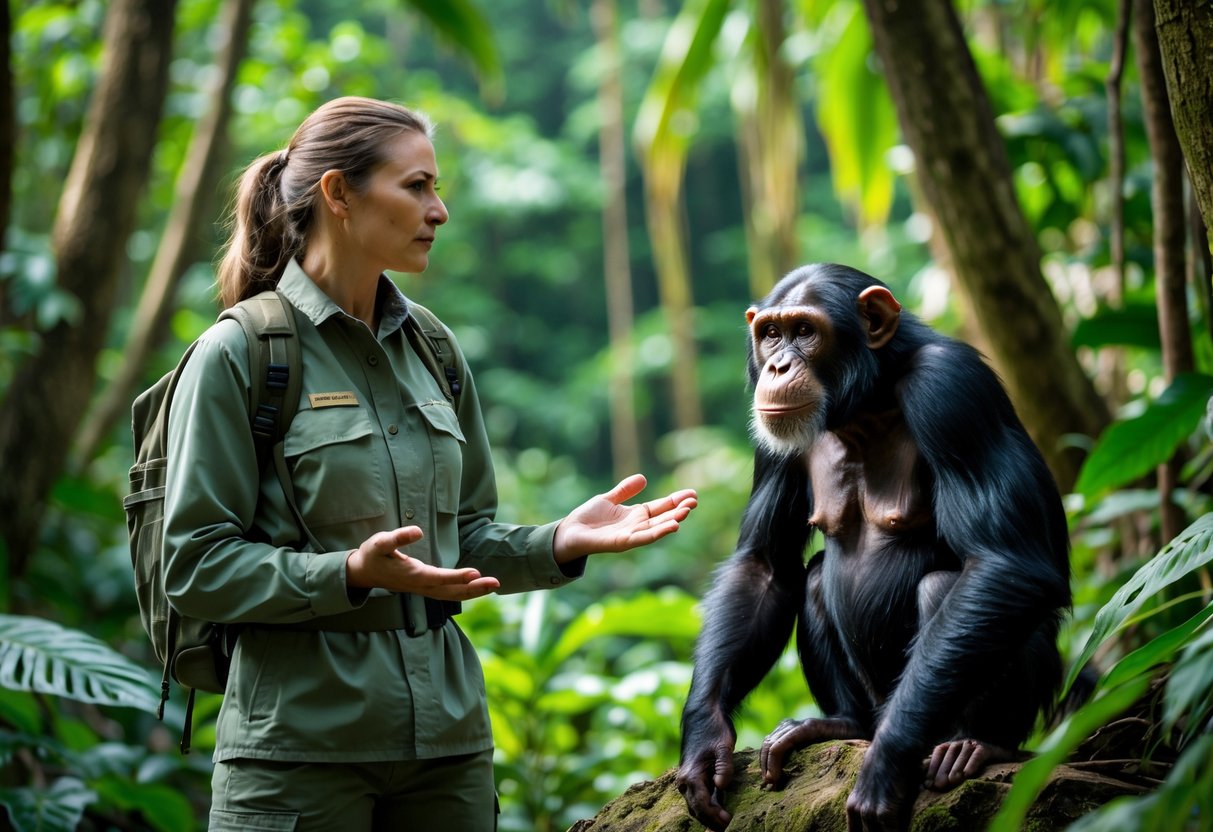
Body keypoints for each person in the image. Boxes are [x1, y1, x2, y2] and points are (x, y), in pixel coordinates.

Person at [162, 95, 698, 832]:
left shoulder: (434, 350)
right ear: (339, 193)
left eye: (436, 188)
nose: (439, 211)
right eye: (416, 187)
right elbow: (194, 566)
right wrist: (350, 573)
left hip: (448, 750)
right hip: (295, 755)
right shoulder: (241, 354)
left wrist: (558, 542)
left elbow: (460, 544)